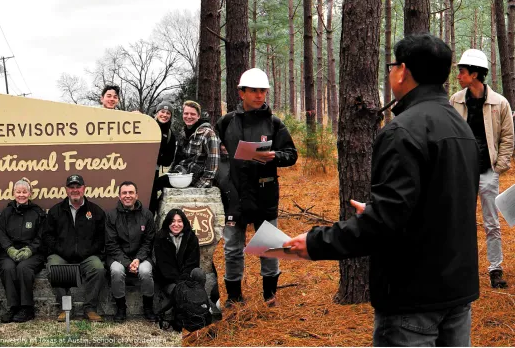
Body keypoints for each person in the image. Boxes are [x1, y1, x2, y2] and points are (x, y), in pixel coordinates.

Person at [284, 34, 480, 347]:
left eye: (392, 66)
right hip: (457, 292)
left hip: (412, 297)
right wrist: (381, 211)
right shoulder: (462, 128)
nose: (389, 73)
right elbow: (439, 205)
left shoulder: (402, 132)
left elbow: (385, 224)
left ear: (403, 70)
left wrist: (315, 243)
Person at [216, 68, 297, 306]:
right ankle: (234, 297)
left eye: (263, 91)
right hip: (235, 194)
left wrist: (274, 156)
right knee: (232, 248)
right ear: (241, 93)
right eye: (254, 91)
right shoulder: (226, 122)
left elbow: (291, 155)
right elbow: (215, 153)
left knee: (269, 246)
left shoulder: (274, 122)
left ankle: (270, 296)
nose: (259, 95)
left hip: (265, 193)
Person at [450, 49, 514, 289]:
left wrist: (499, 166)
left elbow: (508, 136)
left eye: (463, 72)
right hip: (461, 173)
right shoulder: (455, 100)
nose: (458, 76)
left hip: (488, 172)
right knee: (459, 221)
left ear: (475, 74)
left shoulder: (499, 102)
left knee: (491, 222)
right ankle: (459, 269)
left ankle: (495, 269)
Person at [43, 174, 106, 322]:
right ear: (66, 190)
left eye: (78, 187)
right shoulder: (55, 211)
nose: (75, 190)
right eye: (72, 187)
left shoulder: (96, 211)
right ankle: (66, 308)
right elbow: (47, 236)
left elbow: (101, 237)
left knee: (98, 268)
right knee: (53, 265)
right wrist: (62, 250)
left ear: (84, 188)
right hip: (62, 255)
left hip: (87, 256)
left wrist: (88, 251)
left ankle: (90, 308)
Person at [105, 181, 156, 322]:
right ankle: (121, 308)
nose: (128, 195)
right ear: (119, 196)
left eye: (131, 192)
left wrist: (138, 259)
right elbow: (111, 244)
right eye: (124, 193)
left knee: (145, 272)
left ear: (136, 195)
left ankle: (148, 307)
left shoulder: (147, 215)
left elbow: (148, 242)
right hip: (117, 257)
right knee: (116, 271)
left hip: (142, 256)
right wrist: (127, 263)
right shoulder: (111, 216)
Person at [0, 177, 46, 323]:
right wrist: (9, 249)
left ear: (30, 193)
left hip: (32, 253)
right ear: (13, 193)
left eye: (25, 192)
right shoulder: (6, 213)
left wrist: (30, 250)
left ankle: (27, 308)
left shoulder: (38, 213)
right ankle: (13, 307)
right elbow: (1, 232)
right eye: (18, 192)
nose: (21, 195)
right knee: (7, 268)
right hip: (10, 251)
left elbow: (41, 235)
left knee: (24, 268)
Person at [153, 208, 205, 297]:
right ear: (168, 223)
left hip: (187, 278)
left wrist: (184, 281)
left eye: (179, 221)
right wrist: (180, 284)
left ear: (184, 223)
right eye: (172, 221)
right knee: (180, 293)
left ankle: (199, 303)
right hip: (168, 280)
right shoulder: (160, 238)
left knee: (198, 273)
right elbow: (164, 265)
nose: (176, 224)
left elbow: (193, 262)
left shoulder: (191, 237)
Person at [149, 102, 177, 214]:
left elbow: (167, 161)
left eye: (168, 113)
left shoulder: (170, 135)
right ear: (156, 113)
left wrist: (154, 158)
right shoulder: (146, 126)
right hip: (138, 169)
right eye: (162, 111)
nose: (164, 115)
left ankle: (149, 227)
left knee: (151, 201)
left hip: (154, 171)